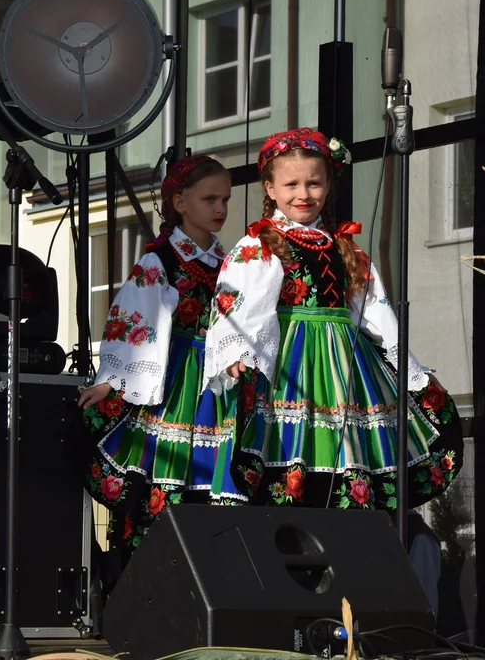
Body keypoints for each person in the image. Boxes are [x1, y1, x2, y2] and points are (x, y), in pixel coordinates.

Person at [202, 127, 462, 510]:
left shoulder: (344, 246)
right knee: (292, 440)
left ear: (328, 185)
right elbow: (238, 301)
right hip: (290, 358)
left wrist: (411, 369)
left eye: (314, 183)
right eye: (291, 184)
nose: (303, 194)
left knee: (347, 443)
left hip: (346, 361)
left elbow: (374, 311)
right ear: (270, 189)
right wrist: (236, 352)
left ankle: (339, 521)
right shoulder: (259, 242)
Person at [70, 155, 241, 585]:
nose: (220, 208)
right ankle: (143, 592)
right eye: (209, 199)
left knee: (209, 486)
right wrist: (112, 378)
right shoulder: (159, 259)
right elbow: (132, 323)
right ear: (179, 201)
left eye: (225, 199)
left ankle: (205, 590)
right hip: (172, 383)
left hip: (216, 387)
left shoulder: (232, 262)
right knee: (159, 481)